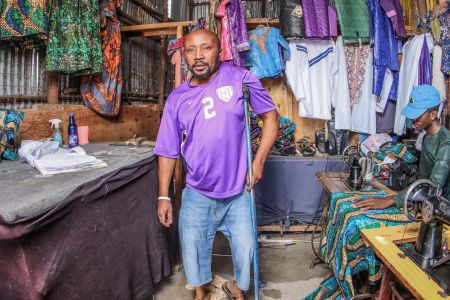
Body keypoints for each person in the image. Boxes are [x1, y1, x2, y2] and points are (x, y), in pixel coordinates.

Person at [154, 29, 279, 300]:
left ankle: (237, 289)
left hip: (238, 192)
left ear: (219, 50)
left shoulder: (241, 79)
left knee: (246, 252)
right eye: (191, 50)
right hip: (198, 192)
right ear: (184, 55)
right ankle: (201, 293)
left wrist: (259, 161)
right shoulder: (177, 99)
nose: (198, 56)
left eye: (206, 48)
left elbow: (271, 117)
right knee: (193, 250)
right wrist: (164, 195)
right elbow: (167, 150)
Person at [354, 84, 450, 210]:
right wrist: (397, 195)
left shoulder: (446, 143)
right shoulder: (428, 137)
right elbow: (422, 180)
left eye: (417, 115)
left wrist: (392, 200)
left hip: (442, 208)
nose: (413, 121)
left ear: (432, 114)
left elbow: (432, 187)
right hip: (425, 203)